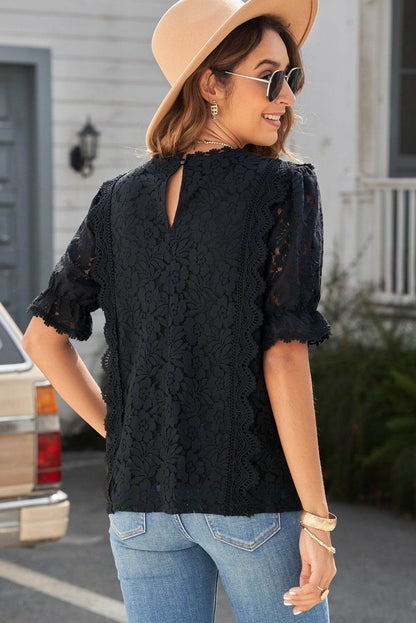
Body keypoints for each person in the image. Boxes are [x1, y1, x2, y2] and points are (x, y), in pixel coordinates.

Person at [22, 0, 338, 621]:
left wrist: (125, 435)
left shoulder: (115, 201)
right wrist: (318, 519)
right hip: (249, 502)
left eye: (292, 77)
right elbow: (283, 355)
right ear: (211, 84)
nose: (286, 96)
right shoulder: (283, 187)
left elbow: (41, 338)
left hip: (141, 511)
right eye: (269, 77)